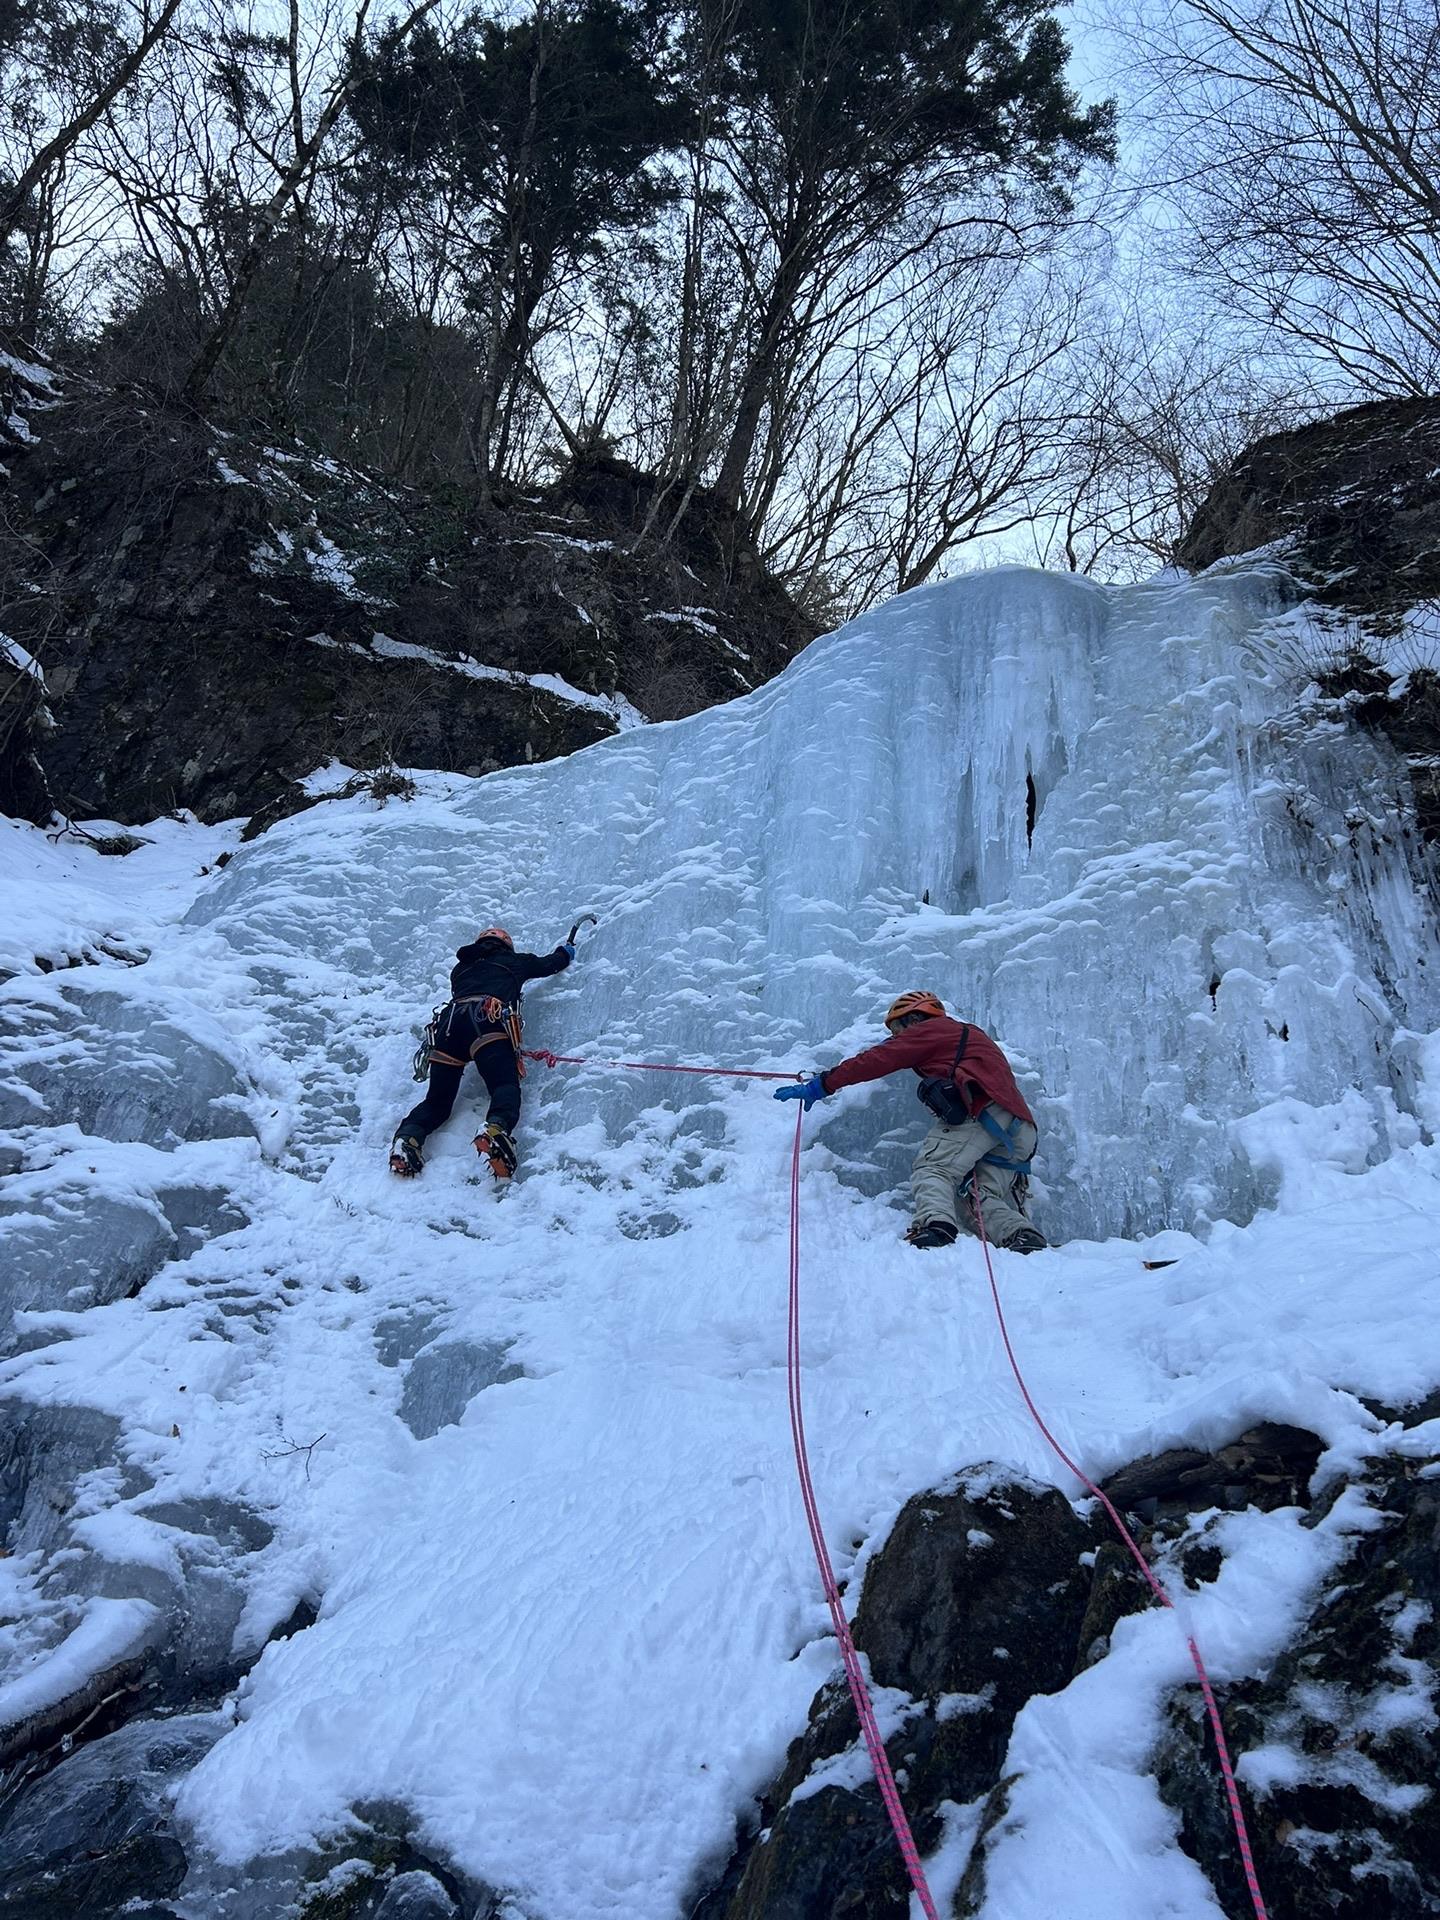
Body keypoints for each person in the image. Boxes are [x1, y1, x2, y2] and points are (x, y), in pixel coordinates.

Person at [775, 990, 1046, 1253]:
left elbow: (879, 1058)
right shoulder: (971, 1036)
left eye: (898, 1030)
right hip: (1020, 1128)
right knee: (977, 1194)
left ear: (915, 1020)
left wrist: (823, 1084)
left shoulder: (932, 1029)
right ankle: (1020, 1235)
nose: (897, 1037)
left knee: (933, 1169)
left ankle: (936, 1227)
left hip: (982, 1113)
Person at [390, 926, 574, 1182]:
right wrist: (566, 951)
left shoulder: (460, 970)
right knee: (503, 1085)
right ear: (507, 945)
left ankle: (407, 1139)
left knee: (437, 1103)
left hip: (448, 1029)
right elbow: (550, 964)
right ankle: (496, 1128)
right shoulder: (515, 961)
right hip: (486, 1021)